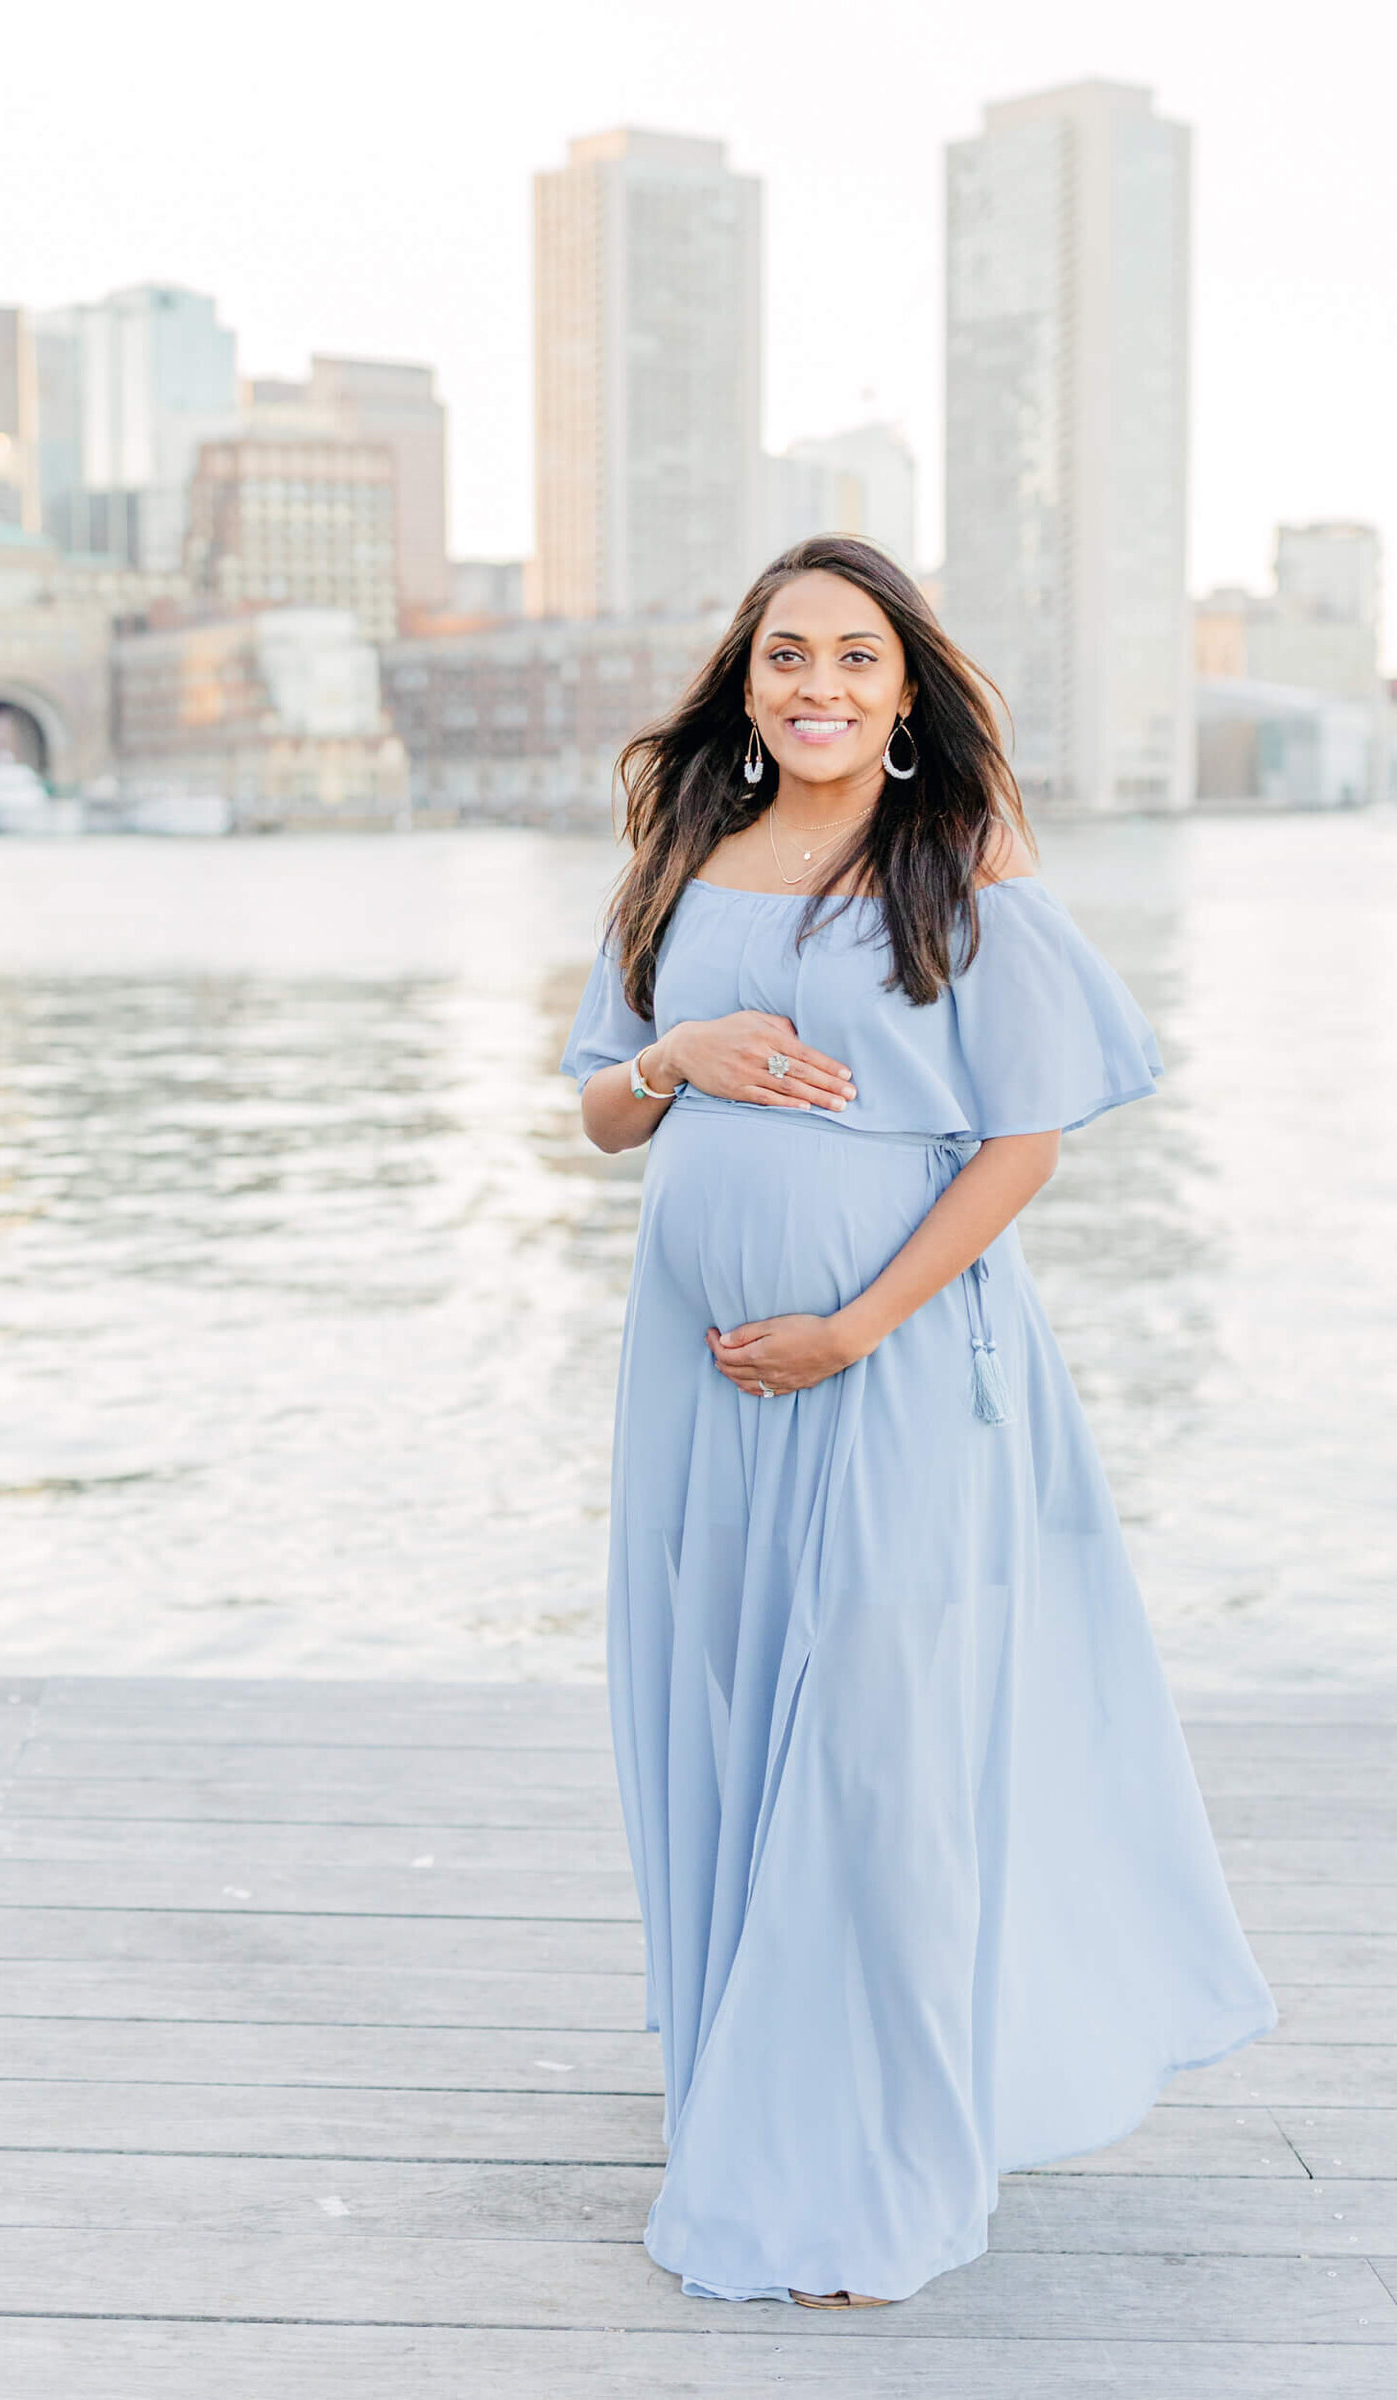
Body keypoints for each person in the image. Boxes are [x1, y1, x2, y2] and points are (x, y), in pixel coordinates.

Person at [560, 536, 1275, 2307]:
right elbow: (596, 1108)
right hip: (699, 1377)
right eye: (786, 653)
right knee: (730, 1707)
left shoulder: (954, 862)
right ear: (746, 679)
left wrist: (853, 1328)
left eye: (855, 658)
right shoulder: (676, 858)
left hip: (892, 1366)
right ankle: (755, 2095)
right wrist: (677, 1060)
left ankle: (872, 2158)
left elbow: (1023, 1138)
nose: (817, 684)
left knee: (873, 1747)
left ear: (902, 692)